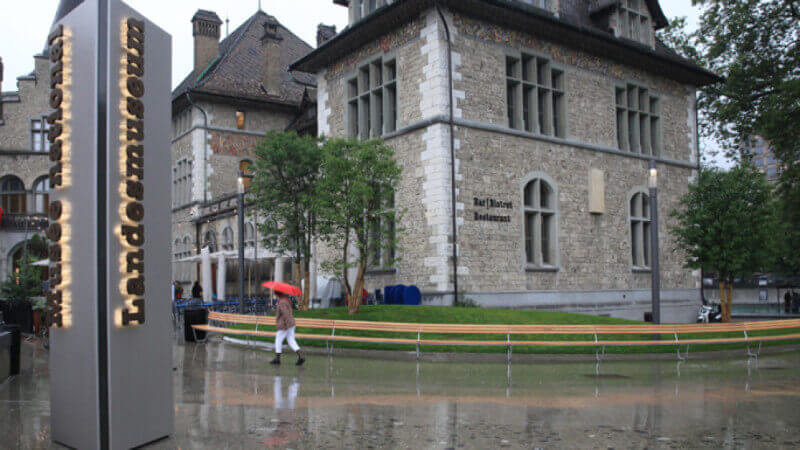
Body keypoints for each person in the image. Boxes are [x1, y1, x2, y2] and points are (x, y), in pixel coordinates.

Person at [270, 293, 305, 366]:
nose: (275, 297)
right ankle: (301, 356)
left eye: (275, 295)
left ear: (277, 295)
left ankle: (277, 359)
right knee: (291, 340)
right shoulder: (285, 301)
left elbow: (285, 313)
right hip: (290, 323)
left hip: (284, 324)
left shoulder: (282, 302)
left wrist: (286, 324)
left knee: (278, 341)